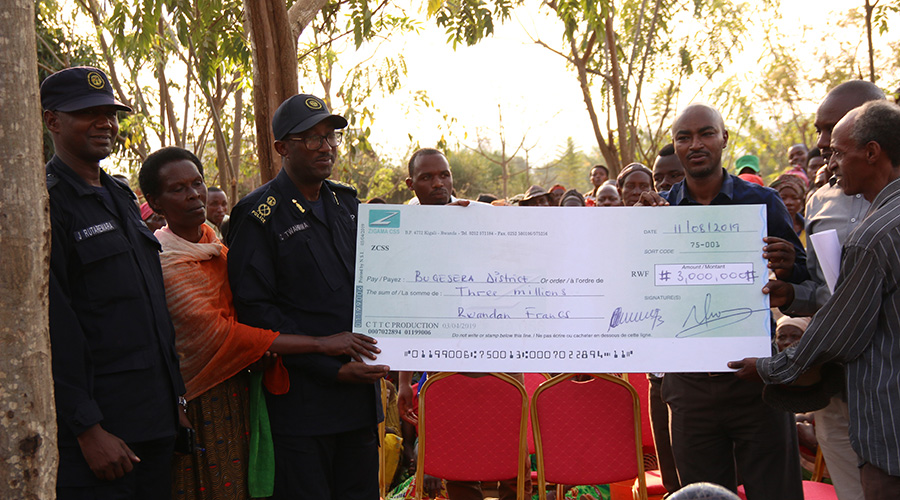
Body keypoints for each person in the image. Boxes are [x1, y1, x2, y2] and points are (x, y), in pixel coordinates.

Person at [138, 146, 380, 499]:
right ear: (155, 202)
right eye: (178, 189)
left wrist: (449, 225)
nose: (193, 194)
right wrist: (323, 345)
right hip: (201, 402)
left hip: (246, 396)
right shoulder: (162, 262)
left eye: (197, 183)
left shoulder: (216, 248)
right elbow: (225, 332)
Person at [730, 100, 900, 500]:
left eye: (839, 151)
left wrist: (771, 367)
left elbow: (840, 332)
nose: (830, 161)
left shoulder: (874, 236)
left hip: (887, 419)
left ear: (872, 152)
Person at [637, 103, 807, 499]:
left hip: (756, 383)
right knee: (703, 495)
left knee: (776, 491)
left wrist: (786, 269)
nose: (695, 144)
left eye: (706, 134)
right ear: (676, 147)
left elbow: (802, 285)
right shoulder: (658, 212)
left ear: (724, 139)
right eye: (684, 137)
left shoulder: (762, 202)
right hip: (689, 389)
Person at [226, 93, 389, 499]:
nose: (326, 147)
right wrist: (330, 368)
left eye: (330, 137)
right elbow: (256, 313)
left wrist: (451, 225)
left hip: (359, 400)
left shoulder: (345, 202)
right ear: (282, 147)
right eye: (311, 139)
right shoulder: (258, 214)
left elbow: (393, 269)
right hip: (303, 405)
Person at [41, 65, 186, 499]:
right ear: (53, 121)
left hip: (155, 421)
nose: (106, 123)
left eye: (111, 112)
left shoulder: (120, 195)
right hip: (99, 435)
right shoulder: (47, 202)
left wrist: (175, 400)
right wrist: (87, 428)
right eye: (89, 112)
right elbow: (54, 324)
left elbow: (149, 310)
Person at [770, 174, 807, 242]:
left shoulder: (808, 228)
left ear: (801, 201)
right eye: (783, 198)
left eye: (794, 198)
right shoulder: (767, 228)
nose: (789, 202)